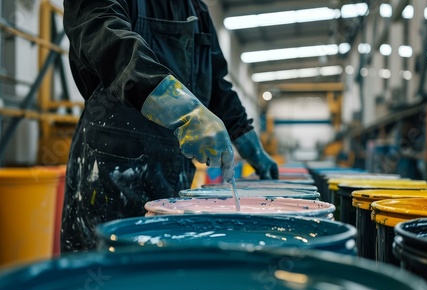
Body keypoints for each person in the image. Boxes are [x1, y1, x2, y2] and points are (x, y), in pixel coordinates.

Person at [61, 0, 279, 253]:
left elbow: (217, 84)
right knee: (109, 270)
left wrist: (247, 139)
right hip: (111, 170)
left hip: (174, 170)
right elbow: (109, 40)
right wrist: (183, 109)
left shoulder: (196, 9)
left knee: (163, 274)